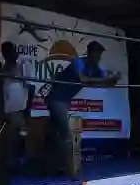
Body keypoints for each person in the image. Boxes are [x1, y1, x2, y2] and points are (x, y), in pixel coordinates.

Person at [44, 40, 120, 175]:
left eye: (100, 55)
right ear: (90, 54)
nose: (99, 58)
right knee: (66, 135)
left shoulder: (95, 67)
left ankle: (51, 166)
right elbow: (83, 79)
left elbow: (108, 84)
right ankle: (70, 169)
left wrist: (115, 78)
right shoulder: (78, 62)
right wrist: (106, 79)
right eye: (97, 55)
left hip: (64, 101)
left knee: (55, 135)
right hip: (56, 99)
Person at [0, 41, 32, 185]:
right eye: (5, 51)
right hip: (5, 109)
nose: (8, 54)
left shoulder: (22, 65)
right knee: (7, 138)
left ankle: (21, 166)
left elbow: (30, 87)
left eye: (11, 51)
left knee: (19, 137)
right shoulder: (1, 67)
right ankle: (9, 167)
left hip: (19, 109)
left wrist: (28, 110)